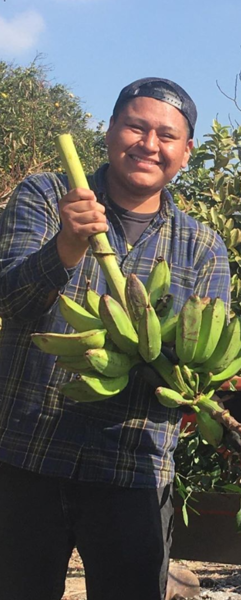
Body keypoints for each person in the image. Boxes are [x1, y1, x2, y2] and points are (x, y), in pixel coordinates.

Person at [0, 77, 231, 600]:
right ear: (108, 130)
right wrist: (66, 246)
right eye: (136, 126)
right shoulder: (47, 195)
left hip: (133, 470)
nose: (149, 144)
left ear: (187, 152)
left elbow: (199, 364)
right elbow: (8, 300)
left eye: (167, 135)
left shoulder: (203, 246)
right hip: (27, 453)